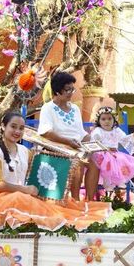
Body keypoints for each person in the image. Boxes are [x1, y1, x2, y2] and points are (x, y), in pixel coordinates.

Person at [0, 111, 111, 231]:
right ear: (3, 127)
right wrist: (25, 190)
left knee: (57, 202)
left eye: (21, 128)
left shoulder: (24, 151)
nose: (17, 131)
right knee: (21, 198)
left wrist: (68, 165)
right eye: (13, 127)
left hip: (21, 195)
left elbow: (43, 168)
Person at [37, 72, 96, 200]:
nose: (70, 92)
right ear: (57, 91)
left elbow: (81, 133)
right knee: (78, 163)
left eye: (72, 89)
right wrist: (68, 142)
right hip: (56, 148)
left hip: (75, 147)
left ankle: (90, 201)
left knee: (94, 165)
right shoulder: (48, 108)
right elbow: (46, 132)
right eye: (67, 89)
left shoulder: (74, 108)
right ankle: (75, 200)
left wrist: (93, 143)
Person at [90, 106, 134, 193]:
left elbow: (124, 139)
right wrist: (105, 149)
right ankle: (107, 182)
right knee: (108, 160)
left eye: (109, 119)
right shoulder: (98, 131)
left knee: (122, 159)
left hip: (115, 153)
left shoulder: (116, 130)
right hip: (102, 154)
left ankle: (120, 180)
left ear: (114, 120)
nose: (107, 121)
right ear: (98, 121)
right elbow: (95, 143)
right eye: (103, 119)